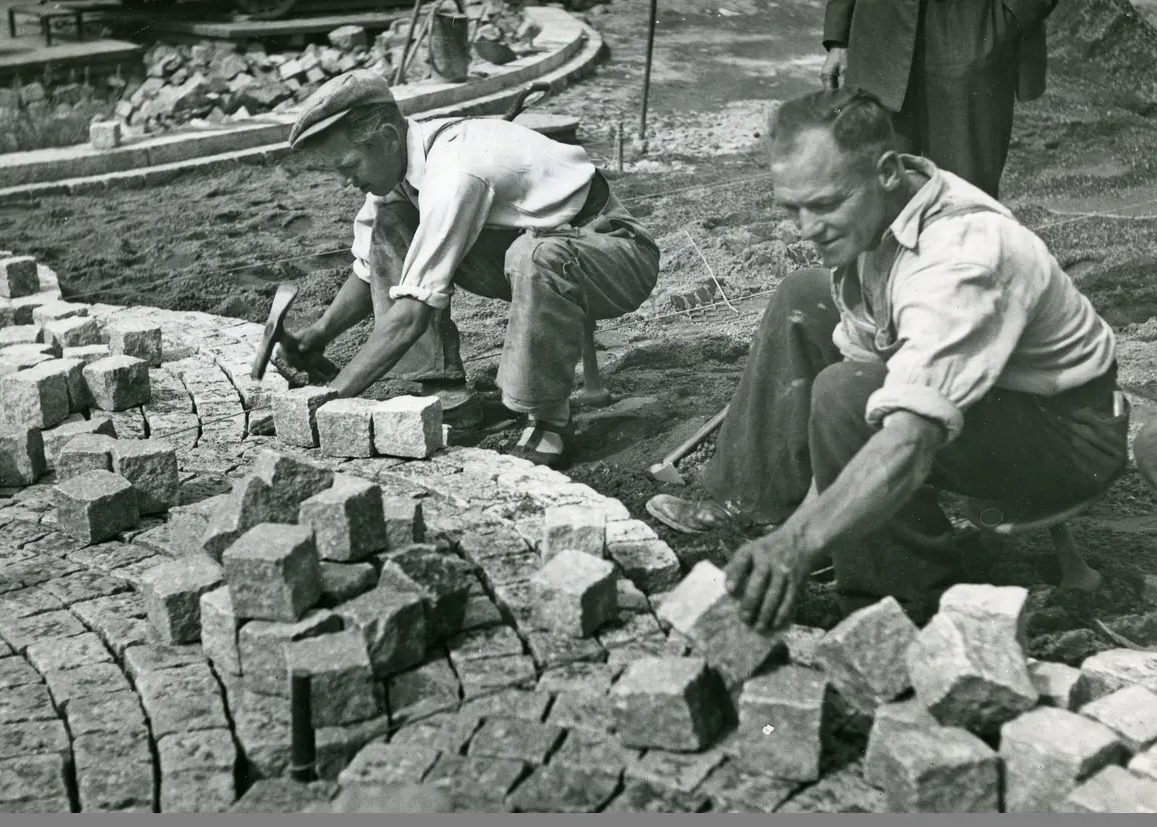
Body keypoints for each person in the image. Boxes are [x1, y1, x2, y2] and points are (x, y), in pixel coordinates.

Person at [646, 87, 1129, 631]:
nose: (807, 229)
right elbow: (864, 344)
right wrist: (805, 525)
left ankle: (897, 614)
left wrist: (799, 545)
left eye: (827, 204)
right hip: (1002, 398)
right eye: (793, 208)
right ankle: (755, 514)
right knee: (804, 296)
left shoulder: (960, 257)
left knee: (846, 395)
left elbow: (909, 442)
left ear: (889, 172)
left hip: (1066, 439)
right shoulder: (885, 218)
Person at [279, 70, 660, 469]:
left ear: (388, 138)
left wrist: (330, 399)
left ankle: (550, 421)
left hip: (616, 252)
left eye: (349, 165)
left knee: (533, 256)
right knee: (392, 221)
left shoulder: (455, 172)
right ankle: (445, 395)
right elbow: (368, 270)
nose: (345, 182)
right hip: (540, 249)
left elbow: (411, 313)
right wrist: (320, 334)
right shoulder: (404, 166)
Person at [819, 0, 1058, 200]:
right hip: (879, 35)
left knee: (965, 208)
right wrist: (839, 36)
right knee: (874, 206)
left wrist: (1012, 14)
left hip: (973, 26)